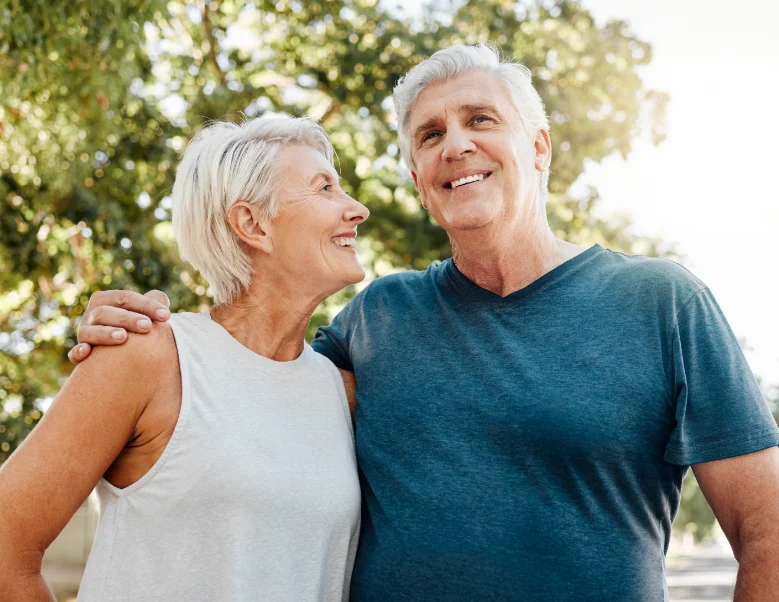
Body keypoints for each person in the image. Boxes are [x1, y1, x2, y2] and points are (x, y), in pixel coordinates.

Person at [68, 45, 779, 601]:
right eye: (429, 135)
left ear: (537, 147)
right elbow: (242, 382)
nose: (455, 145)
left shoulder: (661, 302)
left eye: (480, 120)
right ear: (417, 178)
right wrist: (132, 323)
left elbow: (764, 531)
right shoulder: (378, 317)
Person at [0, 116, 369, 601]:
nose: (358, 209)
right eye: (325, 188)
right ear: (252, 223)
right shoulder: (147, 356)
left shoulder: (343, 394)